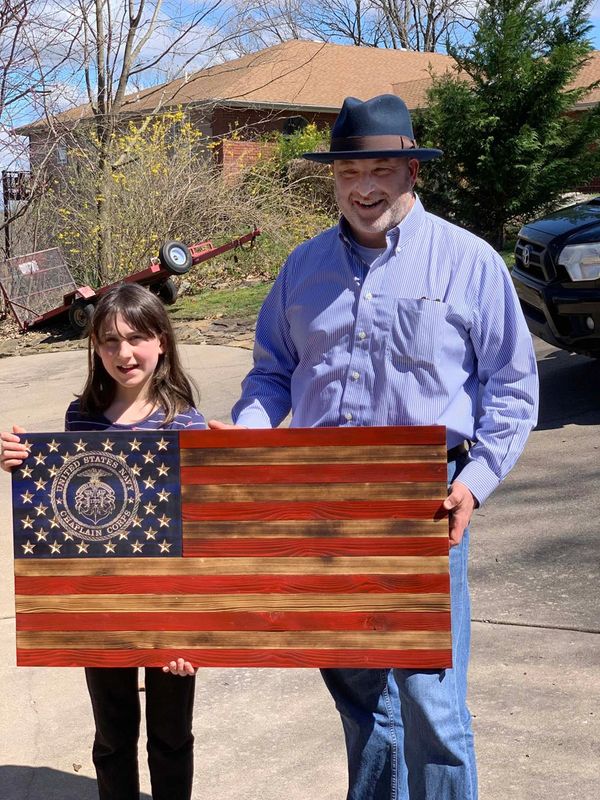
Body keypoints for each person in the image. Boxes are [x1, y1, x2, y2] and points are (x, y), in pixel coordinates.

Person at [209, 94, 539, 799]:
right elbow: (271, 372)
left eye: (382, 169)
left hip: (424, 508)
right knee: (361, 699)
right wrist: (251, 435)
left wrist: (475, 482)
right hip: (324, 506)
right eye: (349, 172)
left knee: (432, 706)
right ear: (333, 179)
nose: (363, 189)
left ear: (412, 173)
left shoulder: (469, 264)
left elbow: (513, 387)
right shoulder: (301, 270)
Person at [1, 283, 204, 800]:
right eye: (109, 341)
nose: (124, 353)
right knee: (113, 738)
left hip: (172, 605)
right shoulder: (81, 418)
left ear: (162, 340)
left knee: (171, 736)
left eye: (136, 338)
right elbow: (69, 513)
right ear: (94, 347)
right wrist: (22, 462)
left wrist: (197, 629)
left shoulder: (188, 423)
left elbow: (204, 535)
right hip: (103, 602)